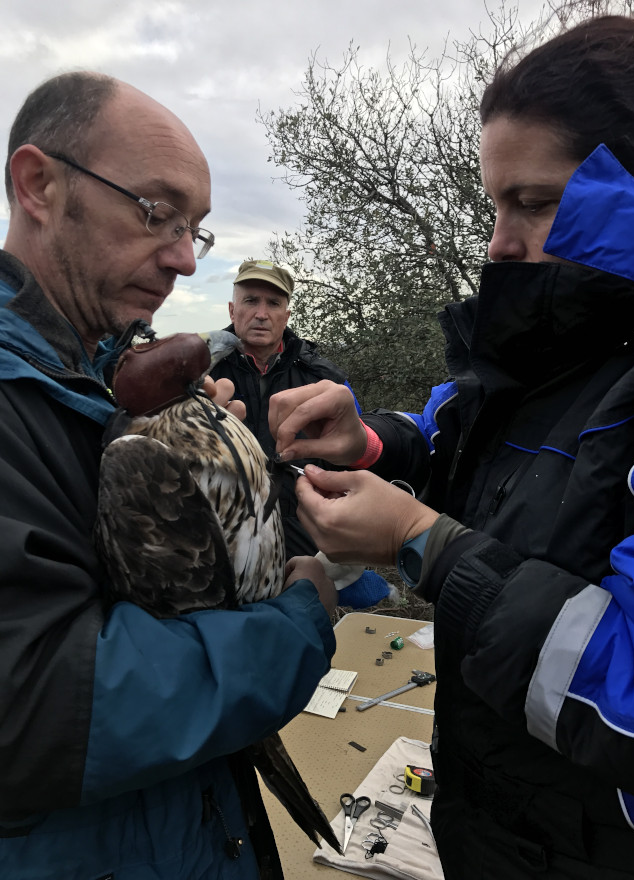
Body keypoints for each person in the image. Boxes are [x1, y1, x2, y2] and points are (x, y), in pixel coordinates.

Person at [268, 15, 634, 879]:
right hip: (497, 835)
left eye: (534, 202)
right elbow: (477, 431)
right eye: (493, 205)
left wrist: (426, 544)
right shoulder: (570, 344)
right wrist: (375, 440)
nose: (500, 245)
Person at [0, 72, 337, 878]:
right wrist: (296, 621)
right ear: (38, 185)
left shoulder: (102, 383)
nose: (185, 259)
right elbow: (33, 713)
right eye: (156, 213)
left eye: (198, 230)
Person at [208, 258, 392, 607]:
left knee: (304, 644)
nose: (261, 313)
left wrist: (341, 558)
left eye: (273, 303)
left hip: (302, 545)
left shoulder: (325, 379)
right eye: (250, 301)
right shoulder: (204, 373)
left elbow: (350, 460)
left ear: (286, 316)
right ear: (233, 309)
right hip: (222, 541)